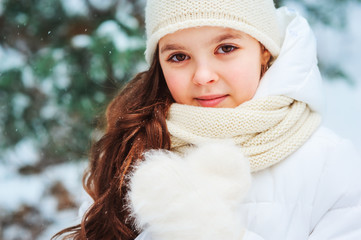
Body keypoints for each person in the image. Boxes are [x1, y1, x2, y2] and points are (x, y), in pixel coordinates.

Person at [53, 0, 361, 239]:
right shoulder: (129, 148)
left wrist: (214, 233)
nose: (203, 76)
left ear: (263, 50)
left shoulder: (332, 165)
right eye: (179, 57)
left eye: (226, 48)